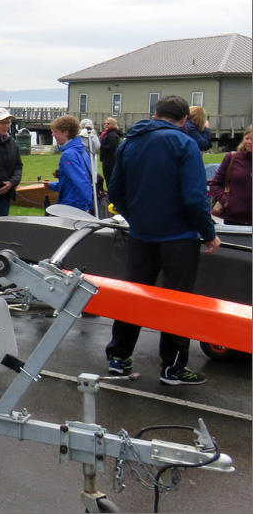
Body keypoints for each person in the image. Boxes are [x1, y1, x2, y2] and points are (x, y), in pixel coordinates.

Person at [105, 95, 220, 386]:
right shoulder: (185, 144)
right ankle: (173, 367)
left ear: (155, 113)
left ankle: (118, 357)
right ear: (184, 120)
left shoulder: (129, 142)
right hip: (178, 237)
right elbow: (195, 198)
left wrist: (136, 218)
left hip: (141, 235)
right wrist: (209, 233)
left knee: (133, 296)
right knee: (177, 302)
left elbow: (115, 191)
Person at [45, 115, 93, 213]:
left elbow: (81, 181)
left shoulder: (69, 154)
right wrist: (51, 185)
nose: (52, 135)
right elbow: (69, 182)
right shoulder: (81, 149)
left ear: (66, 133)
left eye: (55, 132)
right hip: (77, 202)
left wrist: (86, 207)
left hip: (73, 205)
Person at [208, 125, 251, 226]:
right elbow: (215, 185)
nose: (248, 142)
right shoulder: (232, 158)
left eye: (252, 139)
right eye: (247, 138)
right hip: (233, 220)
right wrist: (226, 201)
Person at [99, 117, 122, 189]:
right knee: (107, 177)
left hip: (110, 160)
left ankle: (111, 195)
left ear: (112, 124)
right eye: (105, 123)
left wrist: (101, 147)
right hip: (107, 159)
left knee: (109, 177)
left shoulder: (112, 135)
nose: (106, 125)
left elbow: (112, 147)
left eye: (108, 123)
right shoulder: (108, 133)